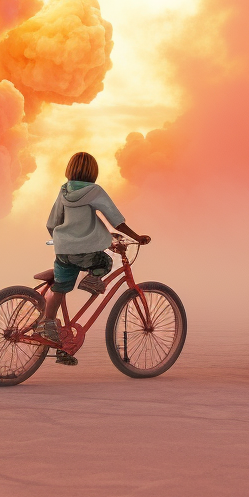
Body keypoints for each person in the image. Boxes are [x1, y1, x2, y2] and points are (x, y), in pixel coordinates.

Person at [37, 151, 150, 365]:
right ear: (93, 171)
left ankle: (48, 323)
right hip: (87, 252)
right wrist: (137, 237)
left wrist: (62, 241)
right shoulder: (94, 190)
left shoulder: (64, 191)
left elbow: (52, 223)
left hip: (63, 251)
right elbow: (114, 218)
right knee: (104, 262)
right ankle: (93, 279)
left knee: (60, 289)